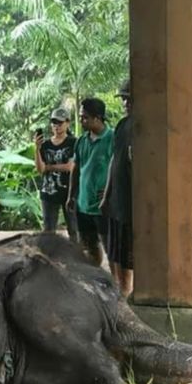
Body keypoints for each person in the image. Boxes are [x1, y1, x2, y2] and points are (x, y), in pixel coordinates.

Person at [67, 98, 114, 267]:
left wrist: (111, 193)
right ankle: (95, 278)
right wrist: (71, 195)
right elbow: (76, 168)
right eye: (81, 117)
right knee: (88, 246)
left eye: (85, 117)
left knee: (110, 248)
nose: (81, 120)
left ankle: (116, 284)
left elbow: (117, 168)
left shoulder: (112, 138)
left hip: (102, 206)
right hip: (83, 204)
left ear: (98, 118)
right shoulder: (81, 141)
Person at [101, 80, 134, 297]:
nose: (124, 102)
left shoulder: (147, 128)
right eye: (123, 98)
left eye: (128, 98)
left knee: (131, 255)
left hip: (133, 204)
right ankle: (122, 293)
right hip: (117, 201)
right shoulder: (122, 126)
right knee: (118, 254)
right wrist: (106, 195)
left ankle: (128, 293)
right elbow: (115, 160)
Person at [34, 107, 78, 241]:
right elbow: (41, 169)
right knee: (48, 232)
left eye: (59, 123)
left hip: (69, 192)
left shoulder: (73, 142)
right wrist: (37, 148)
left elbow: (70, 167)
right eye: (53, 123)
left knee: (74, 230)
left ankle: (75, 258)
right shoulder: (45, 145)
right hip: (49, 192)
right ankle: (49, 259)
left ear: (67, 123)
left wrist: (49, 167)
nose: (56, 126)